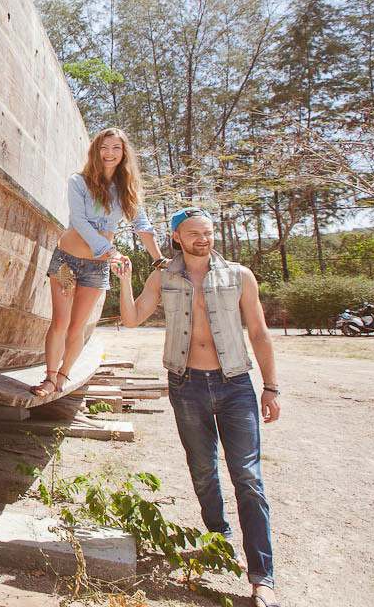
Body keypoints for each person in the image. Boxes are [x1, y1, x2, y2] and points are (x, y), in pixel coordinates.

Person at [115, 207, 281, 607]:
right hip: (186, 385)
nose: (202, 239)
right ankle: (218, 538)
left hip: (236, 385)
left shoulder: (239, 275)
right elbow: (133, 318)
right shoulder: (163, 276)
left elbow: (258, 332)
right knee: (203, 470)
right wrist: (123, 281)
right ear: (177, 238)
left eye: (207, 232)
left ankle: (262, 578)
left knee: (248, 478)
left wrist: (271, 387)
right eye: (193, 233)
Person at [31, 127, 166, 398]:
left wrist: (159, 260)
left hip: (96, 267)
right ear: (96, 150)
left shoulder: (127, 190)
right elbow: (79, 222)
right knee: (60, 322)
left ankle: (64, 376)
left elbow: (142, 226)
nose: (109, 153)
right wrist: (112, 251)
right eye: (104, 147)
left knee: (77, 326)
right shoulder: (78, 182)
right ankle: (49, 377)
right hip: (66, 263)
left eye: (116, 148)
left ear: (123, 153)